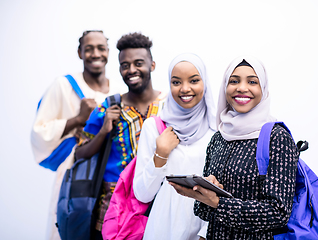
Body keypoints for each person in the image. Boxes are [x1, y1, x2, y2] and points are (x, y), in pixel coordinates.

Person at [169, 56, 300, 239]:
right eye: (234, 81)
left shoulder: (276, 138)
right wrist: (205, 192)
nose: (242, 87)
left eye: (252, 81)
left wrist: (218, 203)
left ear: (263, 87)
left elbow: (278, 213)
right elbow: (202, 212)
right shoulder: (219, 137)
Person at [30, 30, 122, 240]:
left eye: (101, 48)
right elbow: (39, 131)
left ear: (108, 52)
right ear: (80, 53)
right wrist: (78, 119)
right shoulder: (63, 85)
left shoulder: (118, 90)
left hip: (108, 174)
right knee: (70, 226)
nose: (95, 54)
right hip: (74, 172)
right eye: (88, 49)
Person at [75, 32, 166, 238]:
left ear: (152, 65)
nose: (131, 70)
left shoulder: (169, 106)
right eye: (125, 65)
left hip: (158, 203)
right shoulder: (108, 106)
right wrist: (104, 130)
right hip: (114, 209)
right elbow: (79, 153)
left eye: (138, 63)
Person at [133, 53, 217, 240]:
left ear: (205, 82)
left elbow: (222, 191)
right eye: (176, 82)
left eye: (194, 80)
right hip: (163, 228)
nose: (185, 89)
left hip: (204, 229)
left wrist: (205, 234)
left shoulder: (217, 130)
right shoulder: (154, 127)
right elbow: (142, 194)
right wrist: (161, 153)